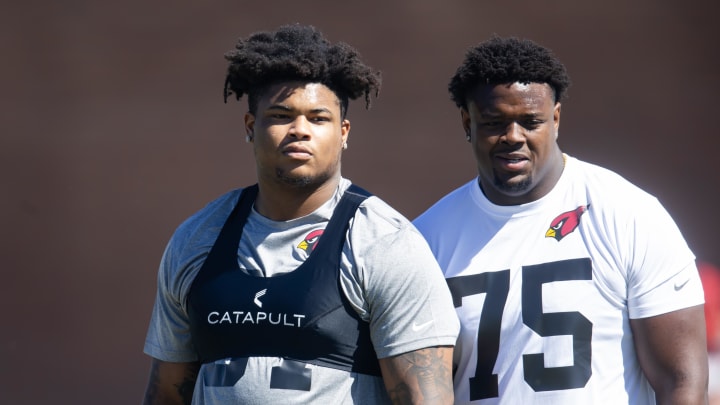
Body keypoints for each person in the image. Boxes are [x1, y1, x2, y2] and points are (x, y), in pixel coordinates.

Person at [142, 24, 459, 405]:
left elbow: (424, 398)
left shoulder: (385, 243)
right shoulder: (197, 239)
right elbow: (165, 394)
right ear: (250, 126)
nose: (300, 130)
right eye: (281, 115)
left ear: (343, 132)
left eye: (318, 118)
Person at [412, 36, 708, 404]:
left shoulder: (629, 214)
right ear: (466, 121)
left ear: (555, 118)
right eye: (494, 122)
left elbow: (681, 381)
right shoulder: (425, 239)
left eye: (530, 121)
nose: (513, 137)